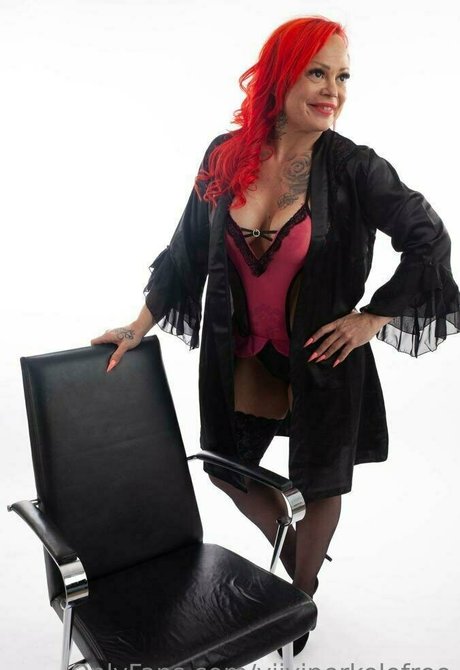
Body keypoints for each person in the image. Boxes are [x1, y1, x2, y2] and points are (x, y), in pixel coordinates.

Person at [91, 16, 460, 656]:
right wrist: (137, 324)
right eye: (317, 72)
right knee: (223, 465)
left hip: (324, 355)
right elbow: (184, 253)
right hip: (242, 352)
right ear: (281, 75)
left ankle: (300, 595)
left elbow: (429, 240)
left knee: (320, 483)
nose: (333, 91)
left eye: (343, 76)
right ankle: (296, 572)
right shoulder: (225, 156)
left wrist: (372, 317)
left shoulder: (355, 168)